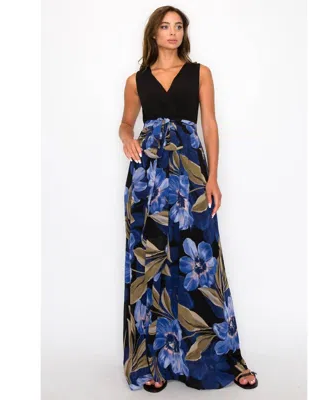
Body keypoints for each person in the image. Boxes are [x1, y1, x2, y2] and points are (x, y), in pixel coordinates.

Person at [119, 5, 258, 393]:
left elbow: (209, 124)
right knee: (151, 261)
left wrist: (212, 177)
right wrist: (127, 137)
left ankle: (222, 357)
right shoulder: (136, 81)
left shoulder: (200, 73)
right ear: (153, 33)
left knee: (201, 259)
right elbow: (126, 122)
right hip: (148, 179)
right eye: (165, 26)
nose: (173, 32)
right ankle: (153, 362)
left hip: (190, 175)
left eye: (178, 26)